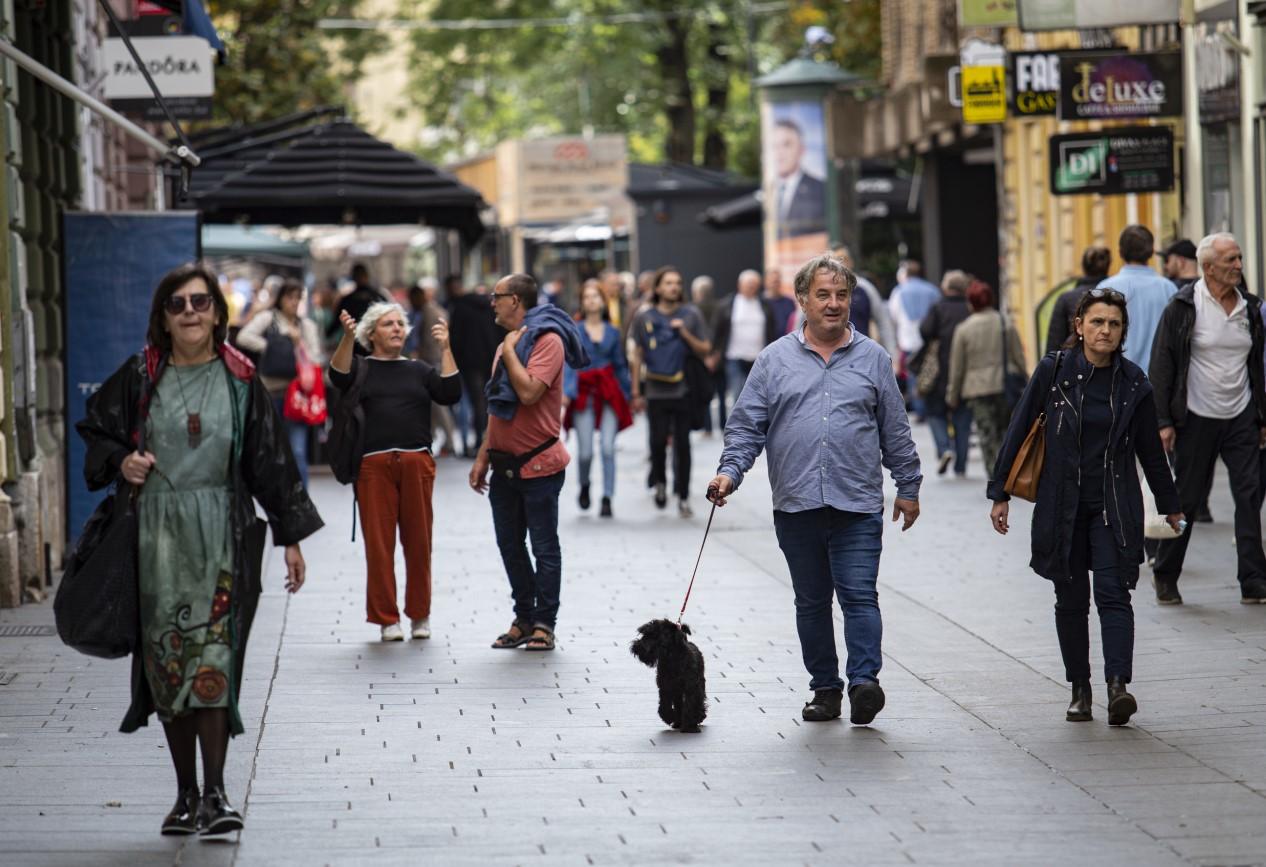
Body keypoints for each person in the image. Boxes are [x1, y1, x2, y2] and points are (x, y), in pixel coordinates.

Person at [76, 262, 322, 836]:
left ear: (218, 312)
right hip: (156, 538)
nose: (190, 312)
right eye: (178, 304)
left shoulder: (240, 379)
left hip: (222, 537)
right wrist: (123, 460)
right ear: (163, 317)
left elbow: (269, 459)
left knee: (214, 661)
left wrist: (290, 537)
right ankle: (184, 796)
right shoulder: (141, 375)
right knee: (166, 668)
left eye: (200, 303)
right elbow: (98, 429)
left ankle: (216, 794)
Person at [710, 253, 921, 726]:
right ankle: (825, 689)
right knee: (811, 602)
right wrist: (729, 473)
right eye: (822, 295)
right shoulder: (772, 361)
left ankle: (865, 682)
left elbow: (895, 429)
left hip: (857, 502)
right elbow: (747, 428)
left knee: (860, 596)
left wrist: (908, 485)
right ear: (802, 299)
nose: (833, 304)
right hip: (797, 503)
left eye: (841, 295)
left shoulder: (874, 359)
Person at [990, 288, 1182, 726]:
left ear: (1122, 332)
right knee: (1070, 599)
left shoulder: (1134, 383)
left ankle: (1118, 686)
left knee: (1114, 594)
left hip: (1113, 506)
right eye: (1097, 322)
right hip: (1063, 505)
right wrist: (1000, 492)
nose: (1105, 331)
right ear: (1078, 326)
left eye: (1114, 324)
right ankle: (1080, 688)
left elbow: (1152, 453)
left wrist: (1170, 506)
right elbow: (1019, 428)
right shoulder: (1054, 371)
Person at [470, 273, 588, 653]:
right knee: (509, 545)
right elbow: (497, 408)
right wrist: (481, 456)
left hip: (540, 466)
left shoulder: (545, 341)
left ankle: (543, 623)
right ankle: (522, 618)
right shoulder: (511, 343)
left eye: (497, 296)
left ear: (516, 301)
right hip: (503, 465)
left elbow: (528, 391)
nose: (492, 302)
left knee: (543, 545)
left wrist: (507, 352)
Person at [329, 301, 461, 641]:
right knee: (379, 545)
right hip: (373, 466)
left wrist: (446, 348)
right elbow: (337, 376)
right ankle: (387, 619)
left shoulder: (418, 370)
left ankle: (420, 615)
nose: (397, 329)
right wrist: (347, 337)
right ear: (371, 334)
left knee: (419, 544)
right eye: (389, 324)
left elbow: (450, 392)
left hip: (417, 462)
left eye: (401, 324)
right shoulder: (361, 367)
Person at [1149, 233, 1266, 605]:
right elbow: (1162, 365)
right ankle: (1166, 573)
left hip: (1241, 416)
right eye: (1231, 260)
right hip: (1196, 416)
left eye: (1239, 258)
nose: (1238, 266)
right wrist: (1163, 420)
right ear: (1208, 267)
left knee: (1248, 496)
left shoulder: (1250, 307)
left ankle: (1254, 579)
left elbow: (1257, 367)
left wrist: (1261, 415)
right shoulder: (1184, 306)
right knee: (1187, 497)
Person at [630, 266, 713, 517]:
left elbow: (705, 348)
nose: (674, 287)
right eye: (668, 283)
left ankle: (684, 496)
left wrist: (684, 333)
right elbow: (637, 354)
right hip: (655, 390)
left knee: (683, 445)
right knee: (656, 442)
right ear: (657, 288)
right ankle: (661, 483)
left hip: (683, 389)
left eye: (677, 283)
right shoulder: (644, 317)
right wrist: (636, 391)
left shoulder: (691, 314)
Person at [233, 278, 324, 488]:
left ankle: (301, 500)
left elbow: (315, 357)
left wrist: (296, 345)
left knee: (297, 450)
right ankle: (278, 496)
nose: (293, 302)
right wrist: (269, 348)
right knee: (271, 448)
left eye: (297, 298)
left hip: (297, 395)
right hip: (270, 391)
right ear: (281, 298)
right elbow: (244, 337)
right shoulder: (268, 319)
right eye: (289, 297)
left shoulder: (306, 326)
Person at [563, 281, 633, 518]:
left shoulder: (613, 331)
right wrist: (566, 392)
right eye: (587, 296)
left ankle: (607, 497)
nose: (592, 300)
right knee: (585, 452)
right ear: (582, 302)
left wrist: (629, 394)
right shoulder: (575, 329)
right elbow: (570, 363)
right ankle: (585, 485)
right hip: (584, 392)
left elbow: (621, 365)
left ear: (603, 302)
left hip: (609, 391)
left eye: (596, 296)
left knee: (607, 448)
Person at [946, 280, 1025, 477]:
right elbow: (1018, 356)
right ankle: (1008, 471)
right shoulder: (1005, 323)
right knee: (1006, 431)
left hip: (976, 389)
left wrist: (952, 395)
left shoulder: (964, 329)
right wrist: (1027, 379)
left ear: (970, 302)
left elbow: (957, 368)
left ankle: (994, 474)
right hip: (1004, 385)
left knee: (986, 434)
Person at [1096, 225, 1176, 369]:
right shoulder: (1168, 288)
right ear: (1152, 252)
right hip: (1159, 381)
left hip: (1116, 378)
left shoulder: (1104, 289)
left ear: (1120, 253)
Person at [918, 270, 974, 477]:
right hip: (966, 373)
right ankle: (961, 465)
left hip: (939, 371)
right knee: (963, 418)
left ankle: (944, 448)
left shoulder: (938, 308)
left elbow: (924, 331)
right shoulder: (970, 308)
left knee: (935, 413)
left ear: (945, 288)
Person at [448, 274, 504, 456]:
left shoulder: (460, 308)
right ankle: (490, 438)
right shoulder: (488, 306)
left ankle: (481, 440)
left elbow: (455, 338)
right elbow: (499, 329)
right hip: (490, 358)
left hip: (470, 363)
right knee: (488, 399)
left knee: (476, 401)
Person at [711, 268, 780, 414]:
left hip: (759, 358)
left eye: (754, 284)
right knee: (737, 395)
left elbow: (771, 330)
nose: (751, 287)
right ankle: (737, 430)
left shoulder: (765, 305)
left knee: (760, 396)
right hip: (734, 357)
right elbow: (717, 331)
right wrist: (714, 353)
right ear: (739, 284)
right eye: (748, 284)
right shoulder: (727, 305)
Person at [407, 280, 459, 455]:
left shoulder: (430, 313)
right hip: (432, 361)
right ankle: (437, 439)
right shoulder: (428, 311)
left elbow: (431, 343)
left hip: (433, 362)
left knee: (438, 405)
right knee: (433, 406)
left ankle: (450, 442)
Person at [888, 260, 942, 418]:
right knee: (931, 371)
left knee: (912, 372)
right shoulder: (931, 290)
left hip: (908, 339)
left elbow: (893, 316)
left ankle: (920, 408)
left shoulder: (899, 291)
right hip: (929, 341)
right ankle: (930, 404)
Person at [1045, 245, 1112, 353]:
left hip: (1074, 363)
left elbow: (1054, 343)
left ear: (1083, 267)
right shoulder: (1116, 296)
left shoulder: (1066, 298)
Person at [770, 119, 827, 237]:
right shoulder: (767, 190)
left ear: (801, 150)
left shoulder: (821, 189)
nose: (779, 153)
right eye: (774, 146)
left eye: (786, 145)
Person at [834, 245, 895, 355]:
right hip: (831, 358)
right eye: (836, 260)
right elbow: (803, 320)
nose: (840, 264)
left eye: (844, 259)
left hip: (862, 356)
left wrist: (892, 356)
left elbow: (883, 322)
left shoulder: (865, 288)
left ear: (851, 262)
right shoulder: (821, 291)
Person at [327, 263, 390, 354]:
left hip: (367, 344)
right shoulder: (377, 296)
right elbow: (337, 321)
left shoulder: (348, 299)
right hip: (360, 344)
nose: (360, 278)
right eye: (358, 275)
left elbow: (336, 323)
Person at [690, 275, 724, 433]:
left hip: (701, 357)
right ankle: (725, 425)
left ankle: (708, 428)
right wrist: (716, 354)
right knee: (722, 393)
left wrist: (705, 356)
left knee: (705, 393)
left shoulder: (693, 310)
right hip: (719, 357)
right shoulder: (721, 307)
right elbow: (723, 334)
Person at [764, 268, 796, 336]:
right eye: (773, 281)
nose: (775, 284)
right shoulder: (761, 302)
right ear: (766, 282)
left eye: (777, 281)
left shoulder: (789, 302)